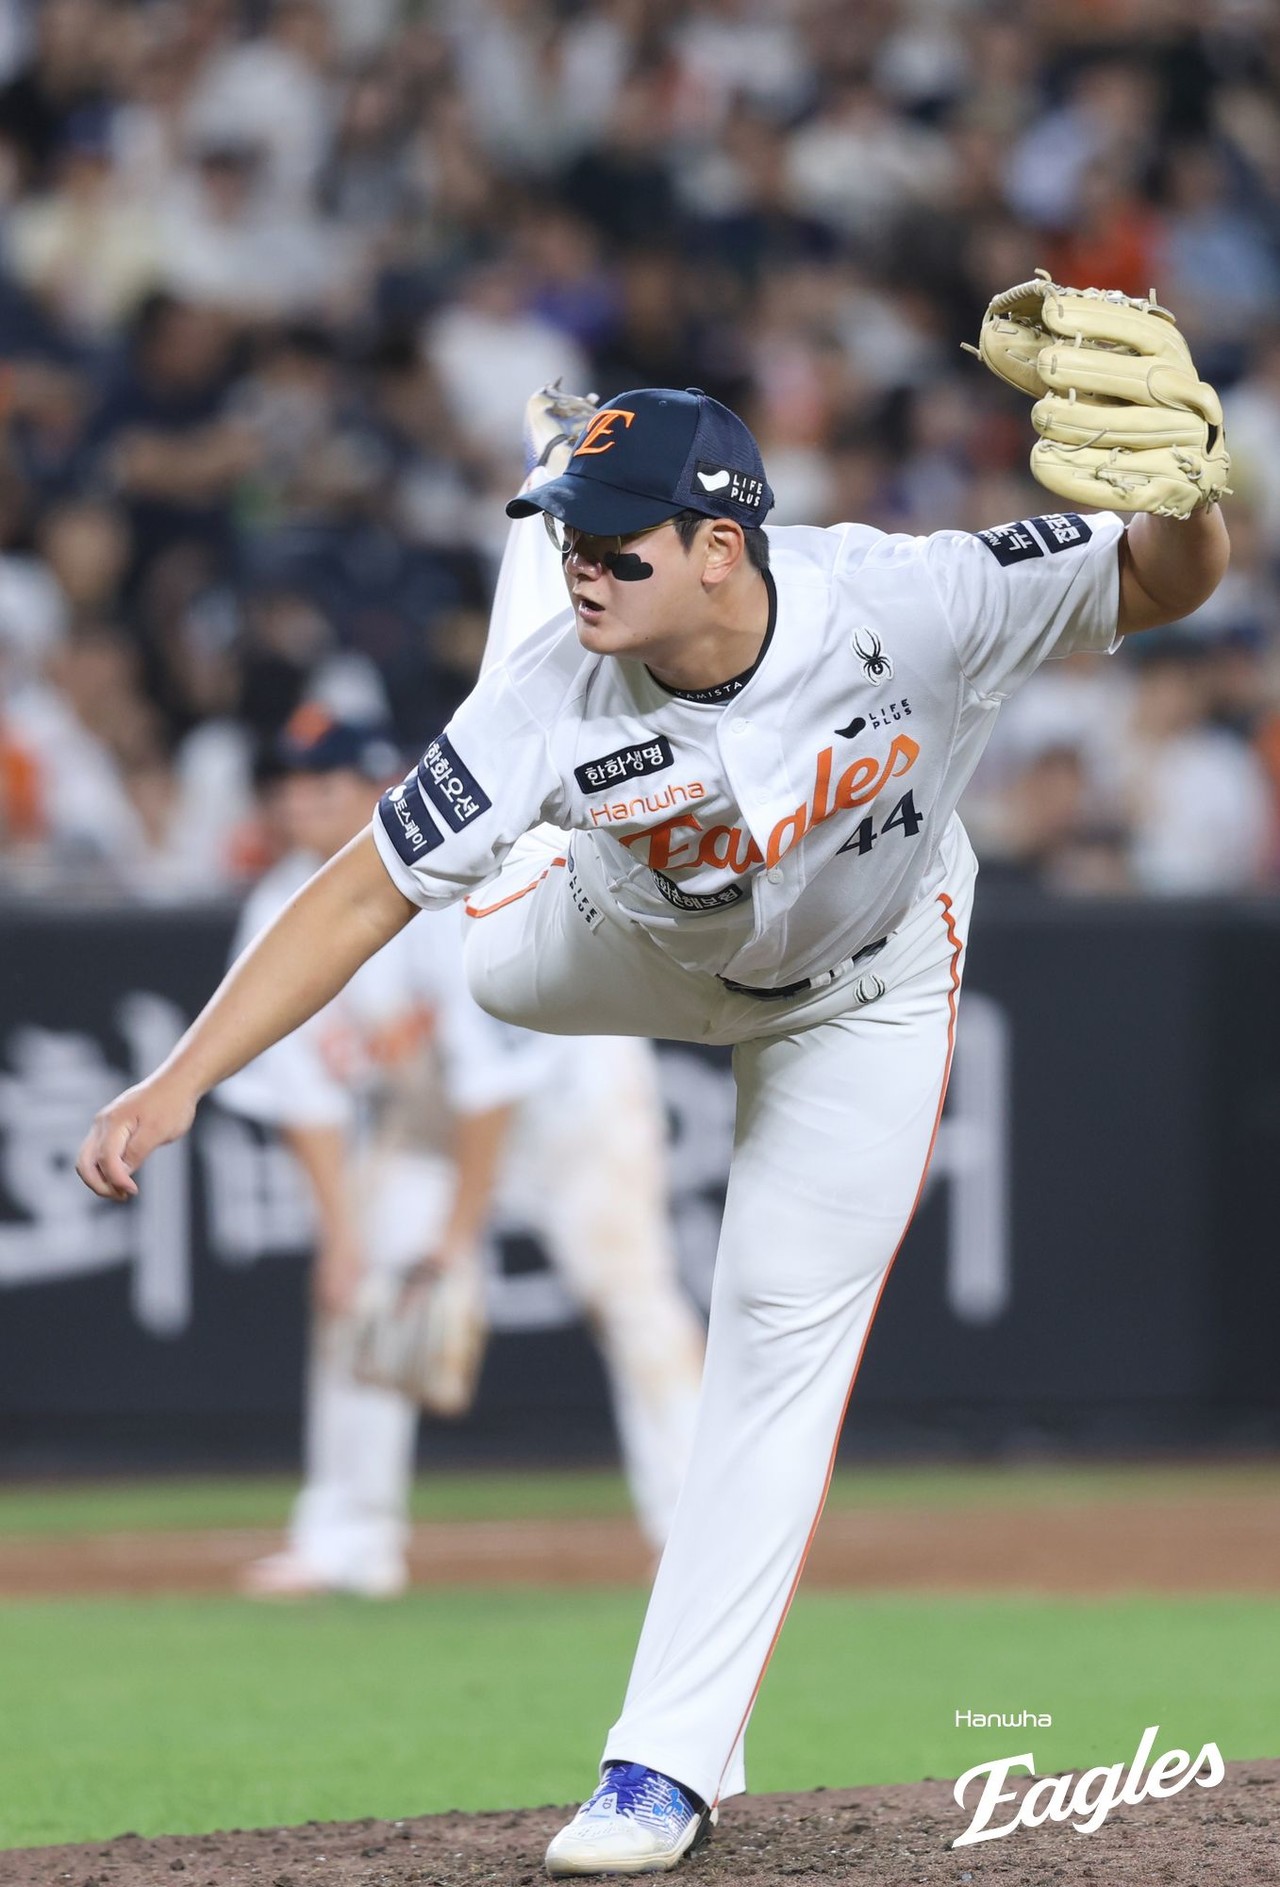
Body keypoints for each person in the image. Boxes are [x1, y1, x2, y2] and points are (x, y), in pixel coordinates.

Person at [78, 371, 1228, 1874]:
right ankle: (535, 652)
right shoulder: (553, 687)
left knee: (771, 1337)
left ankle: (660, 1767)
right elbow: (359, 892)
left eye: (617, 543)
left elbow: (1162, 580)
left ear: (720, 545)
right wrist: (181, 1075)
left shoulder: (914, 598)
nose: (588, 565)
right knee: (486, 910)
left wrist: (1196, 498)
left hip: (863, 988)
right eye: (568, 535)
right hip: (592, 942)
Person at [219, 704, 705, 1595]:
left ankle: (698, 1535)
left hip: (569, 1102)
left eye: (323, 783)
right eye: (287, 784)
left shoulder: (446, 880)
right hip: (433, 1121)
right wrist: (341, 1239)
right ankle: (347, 1539)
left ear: (381, 788)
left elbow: (494, 1085)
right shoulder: (278, 906)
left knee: (629, 1297)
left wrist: (453, 1241)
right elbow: (303, 1095)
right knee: (361, 1292)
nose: (299, 801)